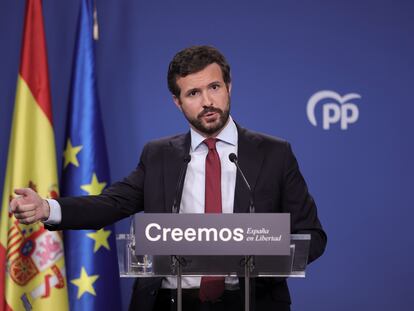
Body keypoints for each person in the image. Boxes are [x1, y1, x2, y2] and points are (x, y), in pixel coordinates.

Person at [10, 45, 327, 311]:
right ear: (178, 101)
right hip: (170, 301)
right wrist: (48, 209)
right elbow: (112, 203)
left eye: (214, 87)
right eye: (193, 93)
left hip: (248, 301)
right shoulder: (159, 155)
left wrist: (261, 255)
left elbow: (312, 236)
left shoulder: (274, 153)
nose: (207, 101)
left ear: (229, 87)